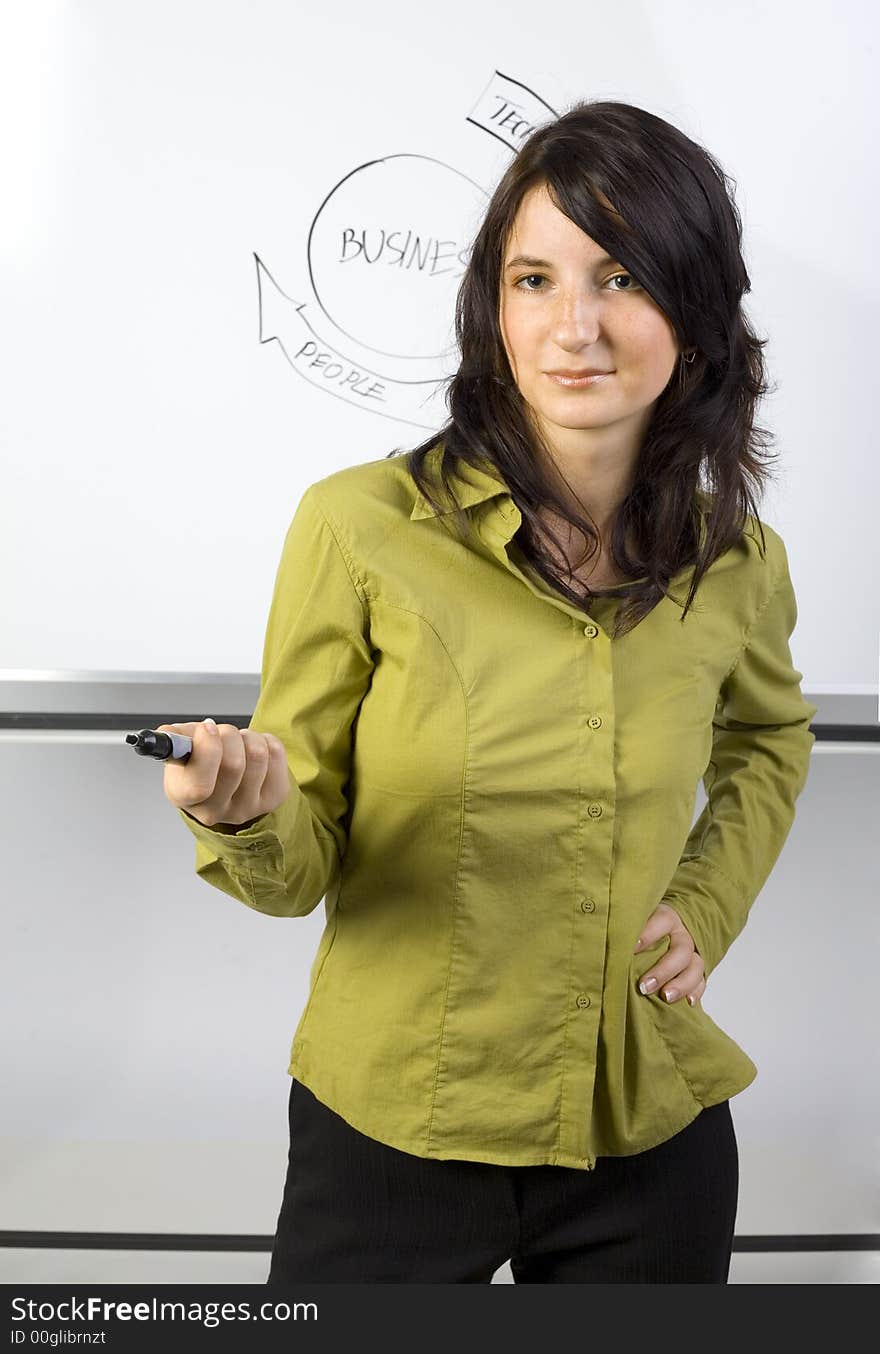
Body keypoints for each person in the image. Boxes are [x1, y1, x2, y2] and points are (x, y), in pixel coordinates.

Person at [160, 99, 817, 1283]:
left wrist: (704, 907)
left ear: (697, 315)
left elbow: (770, 737)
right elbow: (297, 869)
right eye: (533, 278)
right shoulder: (359, 527)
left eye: (621, 275)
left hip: (643, 1120)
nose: (576, 326)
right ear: (491, 311)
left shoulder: (737, 562)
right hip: (395, 1127)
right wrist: (245, 808)